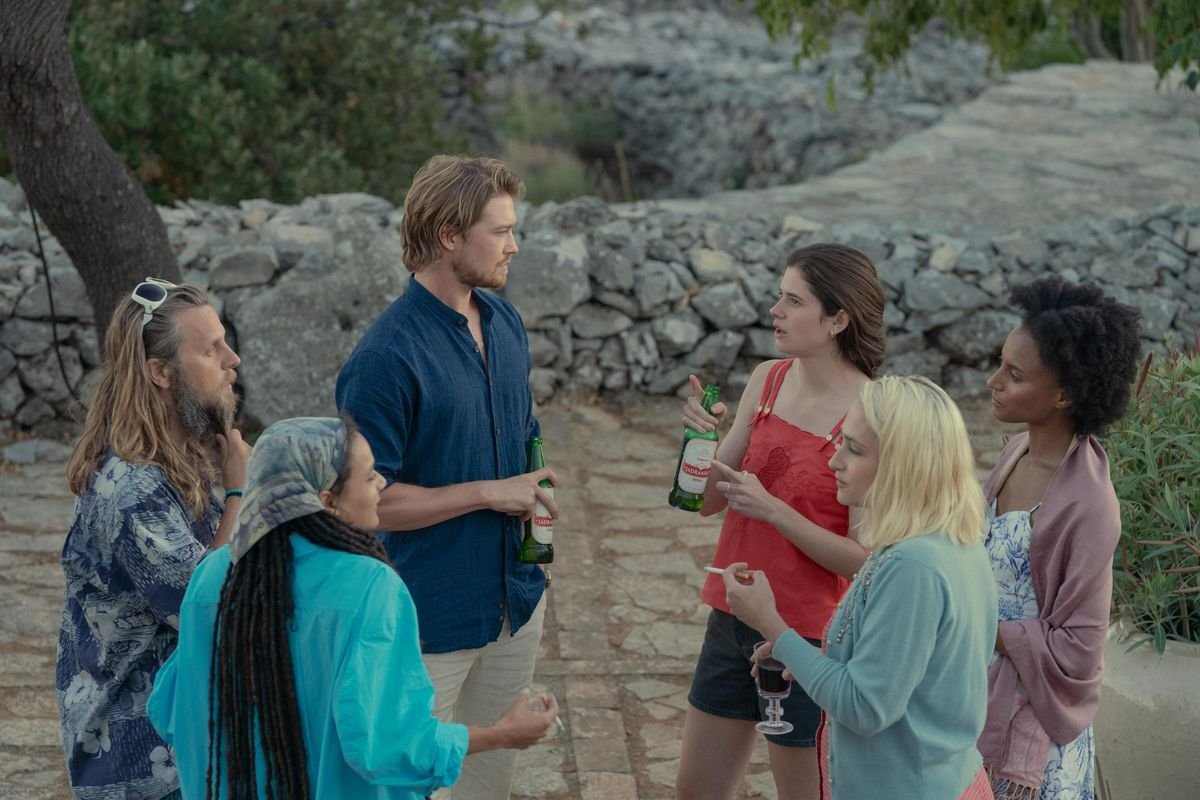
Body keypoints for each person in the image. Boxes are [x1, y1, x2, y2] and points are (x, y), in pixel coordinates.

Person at [147, 417, 560, 799]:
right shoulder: (370, 588)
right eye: (368, 475)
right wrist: (502, 733)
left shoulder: (213, 577)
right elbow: (389, 746)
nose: (381, 483)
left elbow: (170, 709)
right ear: (327, 501)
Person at [335, 154, 557, 800]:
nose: (514, 245)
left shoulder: (505, 323)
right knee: (411, 785)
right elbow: (364, 503)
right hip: (427, 621)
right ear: (449, 236)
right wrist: (488, 493)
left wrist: (533, 491)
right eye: (501, 230)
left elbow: (524, 438)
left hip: (518, 605)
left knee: (489, 785)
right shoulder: (383, 357)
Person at [675, 243, 886, 800]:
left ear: (838, 320)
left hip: (808, 642)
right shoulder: (766, 379)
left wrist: (773, 509)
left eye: (794, 301)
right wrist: (701, 440)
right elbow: (707, 502)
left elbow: (865, 561)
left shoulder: (873, 413)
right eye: (779, 296)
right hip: (731, 614)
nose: (775, 310)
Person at [723, 375, 999, 800]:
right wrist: (799, 653)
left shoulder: (913, 566)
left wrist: (771, 624)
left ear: (901, 464)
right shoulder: (949, 540)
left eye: (854, 448)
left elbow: (865, 708)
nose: (834, 461)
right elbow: (901, 672)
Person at [57, 278, 251, 800]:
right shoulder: (133, 488)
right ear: (160, 373)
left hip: (178, 741)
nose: (232, 360)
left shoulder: (174, 458)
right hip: (143, 761)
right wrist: (239, 492)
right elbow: (207, 607)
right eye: (211, 349)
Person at [978, 278, 1141, 800]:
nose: (993, 382)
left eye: (1014, 375)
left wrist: (971, 622)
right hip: (979, 699)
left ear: (1064, 395)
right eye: (1000, 364)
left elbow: (1080, 649)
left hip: (1036, 741)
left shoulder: (1089, 503)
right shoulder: (1015, 453)